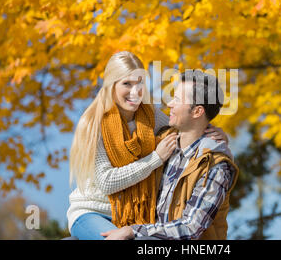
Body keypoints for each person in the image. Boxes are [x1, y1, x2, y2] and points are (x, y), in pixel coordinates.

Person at [66, 52, 229, 240]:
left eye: (140, 83)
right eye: (127, 84)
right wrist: (155, 159)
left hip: (134, 217)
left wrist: (215, 132)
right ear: (112, 85)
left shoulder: (150, 115)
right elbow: (107, 182)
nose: (135, 92)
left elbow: (185, 123)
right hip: (93, 212)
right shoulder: (93, 123)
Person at [100, 69, 239, 240]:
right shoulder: (163, 141)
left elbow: (191, 227)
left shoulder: (215, 166)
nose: (170, 104)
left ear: (197, 112)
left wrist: (132, 231)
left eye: (178, 100)